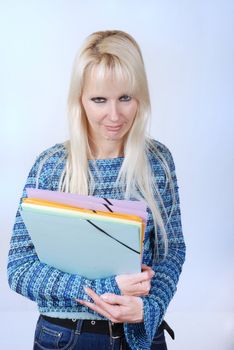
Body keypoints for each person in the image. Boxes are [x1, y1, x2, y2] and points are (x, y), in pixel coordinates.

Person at [7, 30, 186, 350]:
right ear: (80, 99)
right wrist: (108, 288)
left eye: (125, 98)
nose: (114, 116)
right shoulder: (51, 167)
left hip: (140, 332)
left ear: (141, 96)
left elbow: (171, 253)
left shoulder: (158, 161)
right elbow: (19, 270)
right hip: (67, 336)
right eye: (99, 99)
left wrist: (149, 308)